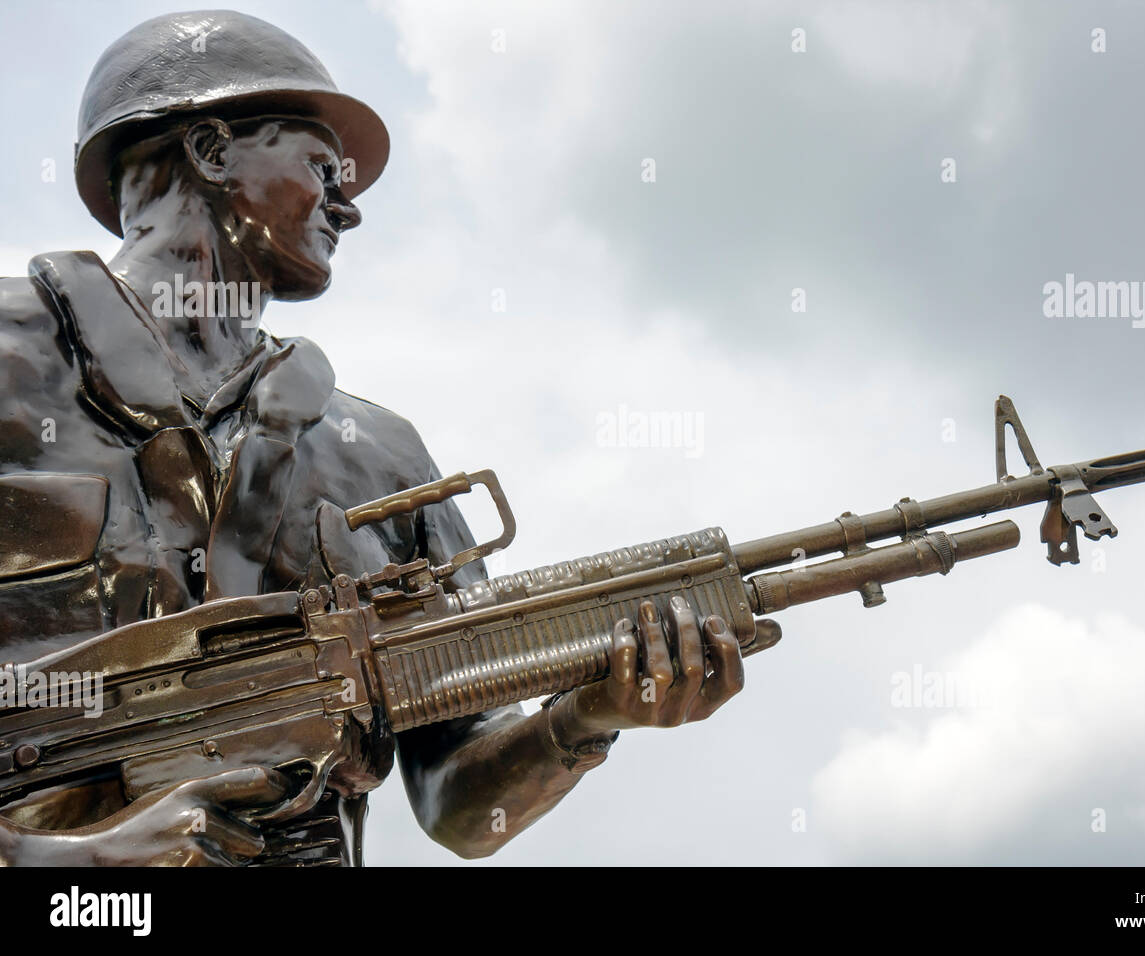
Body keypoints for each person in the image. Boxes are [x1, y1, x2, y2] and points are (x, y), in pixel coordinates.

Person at [0, 10, 755, 866]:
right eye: (323, 167)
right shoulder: (9, 360)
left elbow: (456, 800)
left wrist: (584, 718)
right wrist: (61, 866)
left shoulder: (378, 454)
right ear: (211, 153)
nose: (348, 207)